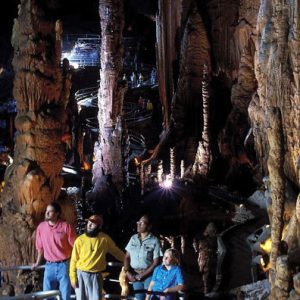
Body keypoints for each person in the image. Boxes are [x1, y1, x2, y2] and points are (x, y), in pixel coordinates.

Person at [70, 215, 125, 300]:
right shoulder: (79, 240)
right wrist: (73, 278)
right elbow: (73, 260)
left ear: (99, 227)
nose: (89, 225)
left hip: (96, 276)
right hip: (81, 275)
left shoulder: (104, 239)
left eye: (93, 223)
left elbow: (116, 252)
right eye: (89, 222)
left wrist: (128, 260)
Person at [32, 203, 76, 300]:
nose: (47, 213)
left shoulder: (66, 227)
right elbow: (40, 248)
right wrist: (37, 263)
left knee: (65, 296)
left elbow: (75, 247)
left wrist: (76, 263)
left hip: (64, 266)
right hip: (49, 266)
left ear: (57, 213)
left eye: (50, 211)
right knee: (47, 296)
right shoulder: (41, 227)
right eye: (46, 211)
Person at [124, 215, 162, 300]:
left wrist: (143, 275)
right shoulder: (133, 238)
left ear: (149, 226)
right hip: (135, 275)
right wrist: (127, 272)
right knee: (139, 298)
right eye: (138, 222)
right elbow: (127, 257)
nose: (138, 224)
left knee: (151, 298)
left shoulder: (155, 240)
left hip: (149, 276)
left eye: (142, 223)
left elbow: (156, 262)